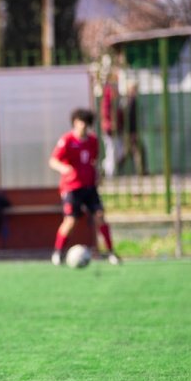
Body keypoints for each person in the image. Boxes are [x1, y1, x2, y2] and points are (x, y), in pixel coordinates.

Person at [49, 108, 120, 266]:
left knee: (100, 216)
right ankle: (58, 252)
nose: (83, 126)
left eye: (86, 124)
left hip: (89, 186)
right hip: (72, 187)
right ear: (75, 123)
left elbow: (93, 161)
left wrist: (97, 175)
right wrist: (64, 168)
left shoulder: (93, 141)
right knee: (71, 220)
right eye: (80, 123)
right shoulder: (66, 140)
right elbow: (53, 161)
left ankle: (111, 253)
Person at [119, 82, 148, 176]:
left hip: (129, 131)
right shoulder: (129, 102)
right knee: (138, 151)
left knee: (128, 152)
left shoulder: (128, 101)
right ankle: (141, 171)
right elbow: (129, 119)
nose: (136, 91)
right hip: (130, 132)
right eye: (134, 89)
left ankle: (115, 168)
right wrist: (132, 132)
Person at [99, 74, 124, 178]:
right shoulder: (108, 96)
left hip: (116, 128)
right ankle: (109, 174)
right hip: (109, 129)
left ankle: (105, 169)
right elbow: (106, 112)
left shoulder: (116, 96)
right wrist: (110, 123)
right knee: (112, 151)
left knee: (119, 151)